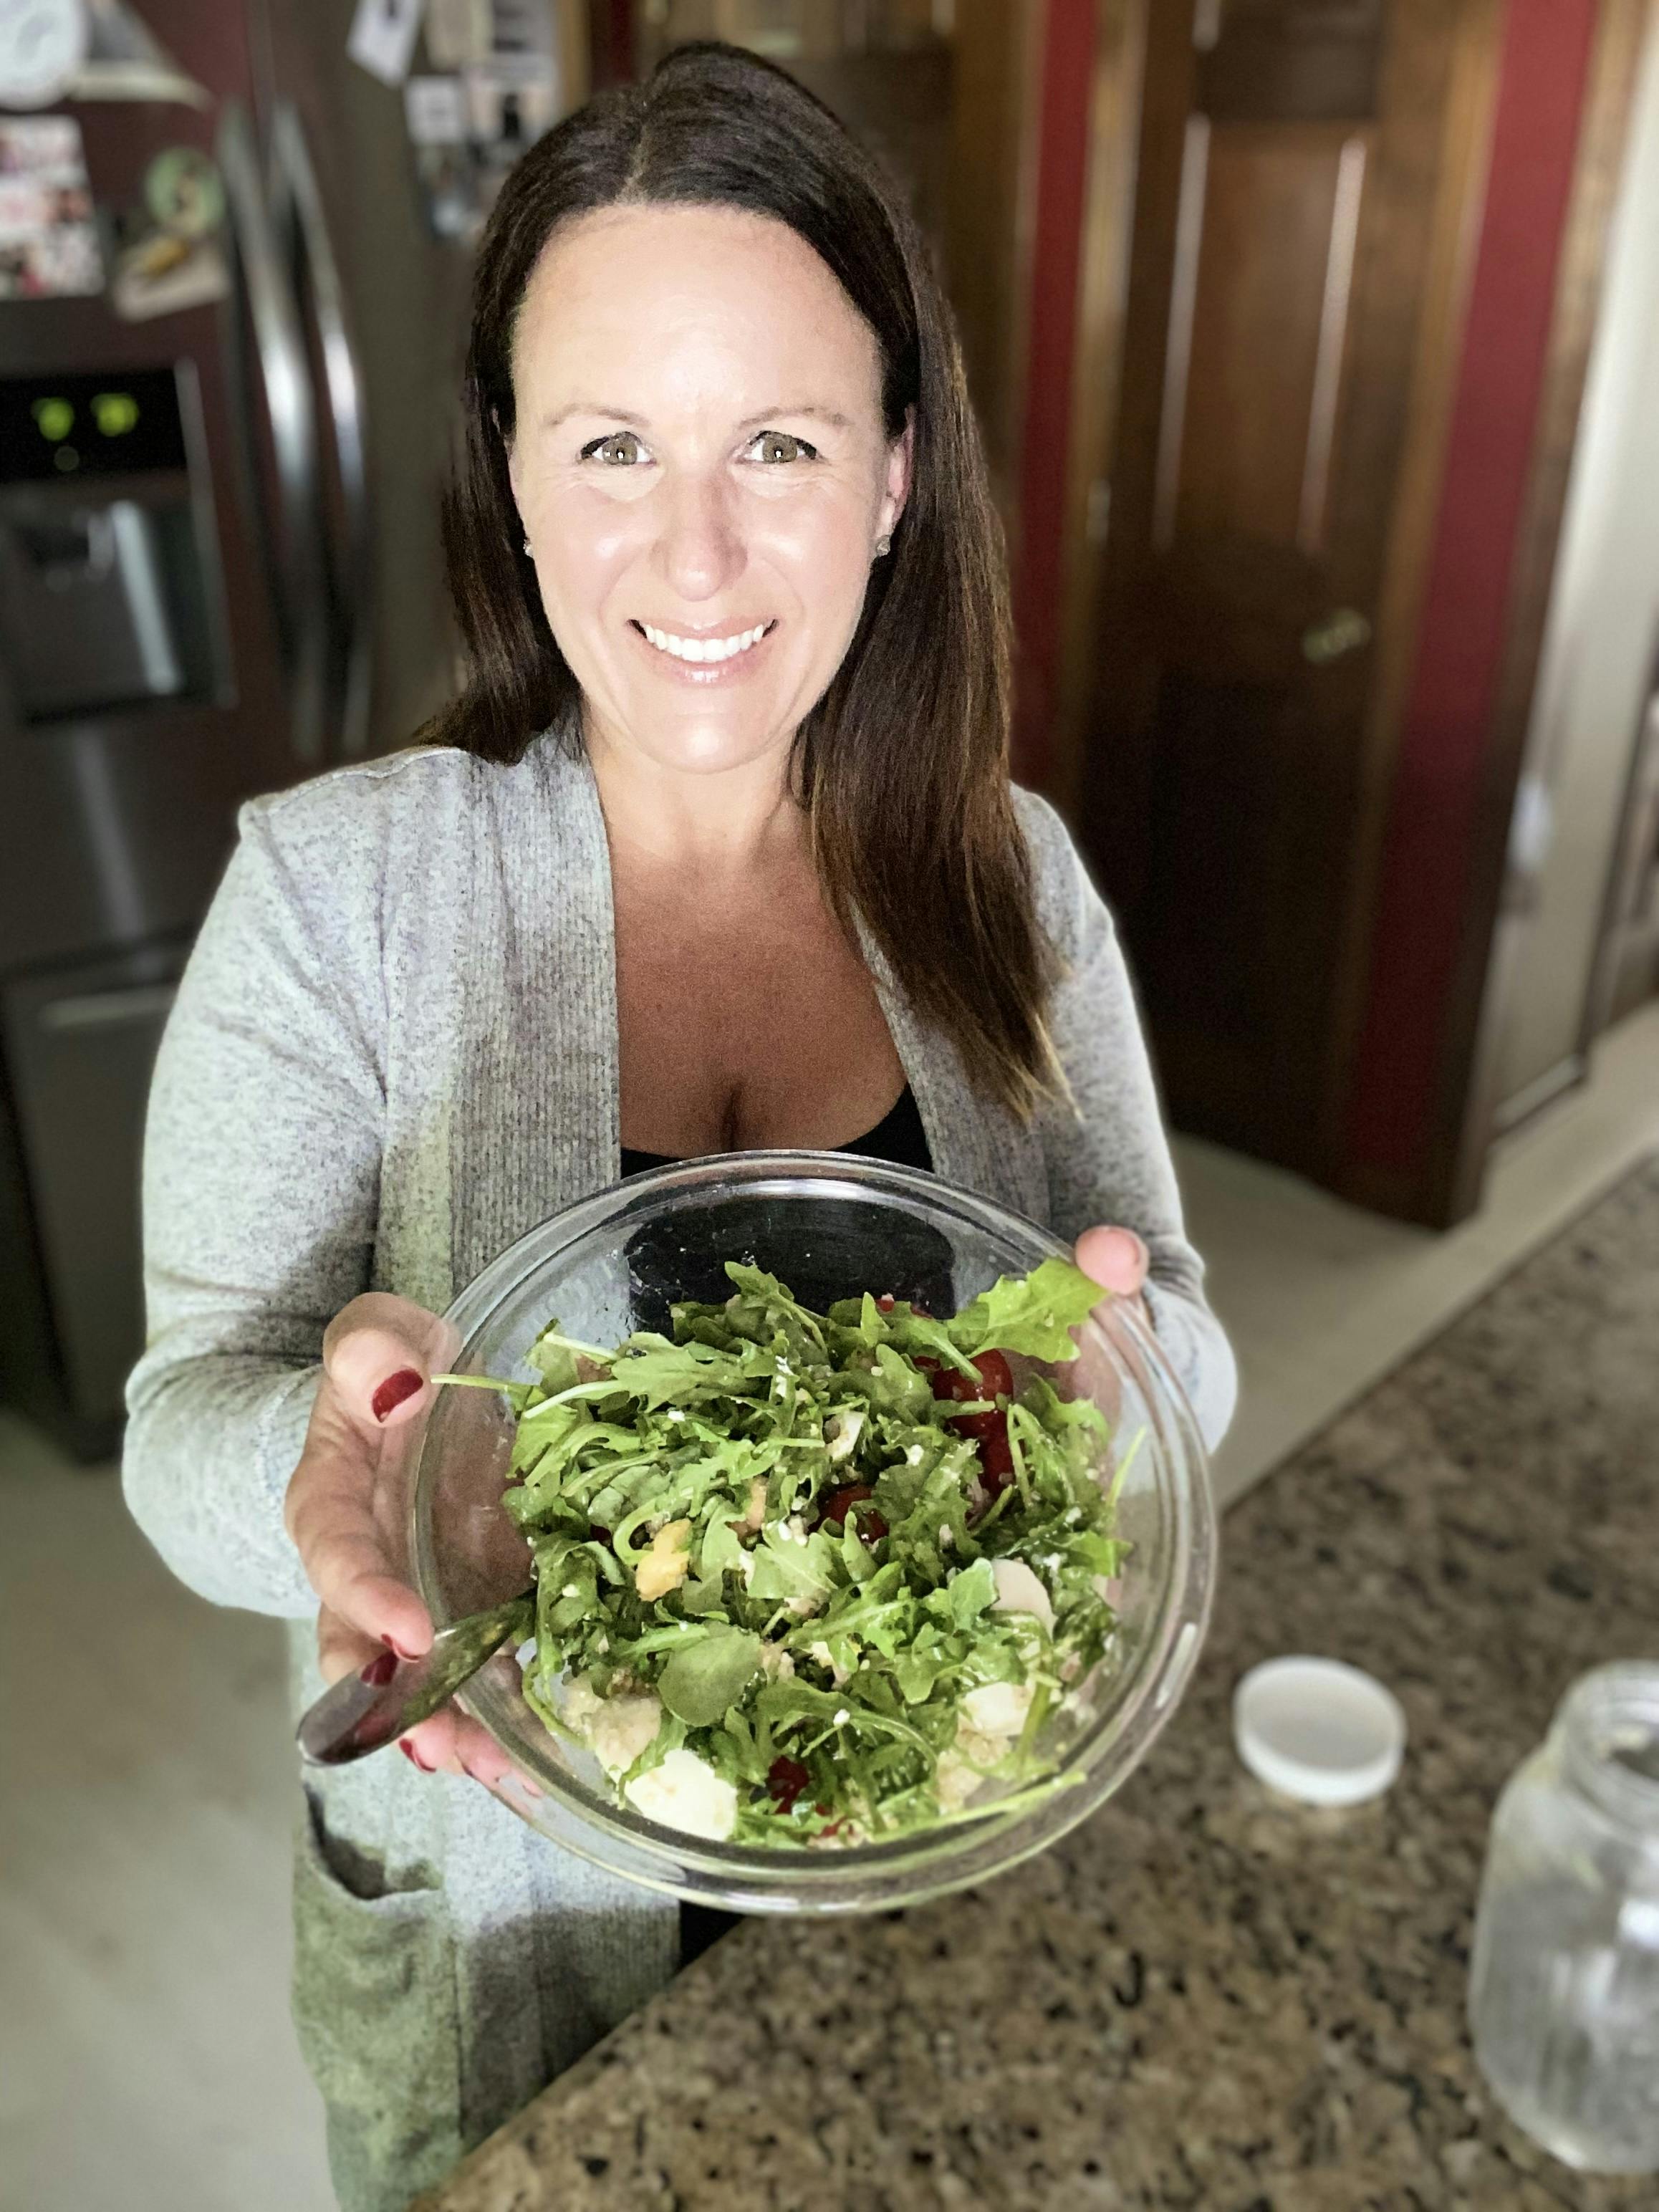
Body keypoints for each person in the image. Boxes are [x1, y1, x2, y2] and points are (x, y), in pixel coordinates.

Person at [122, 42, 1236, 2212]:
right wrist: (342, 1465)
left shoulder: (1015, 882)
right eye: (614, 443)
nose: (697, 547)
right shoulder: (337, 897)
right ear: (513, 476)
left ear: (899, 474)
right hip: (504, 1928)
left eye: (784, 442)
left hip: (936, 1865)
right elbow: (188, 1423)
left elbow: (1164, 1325)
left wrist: (1109, 1382)